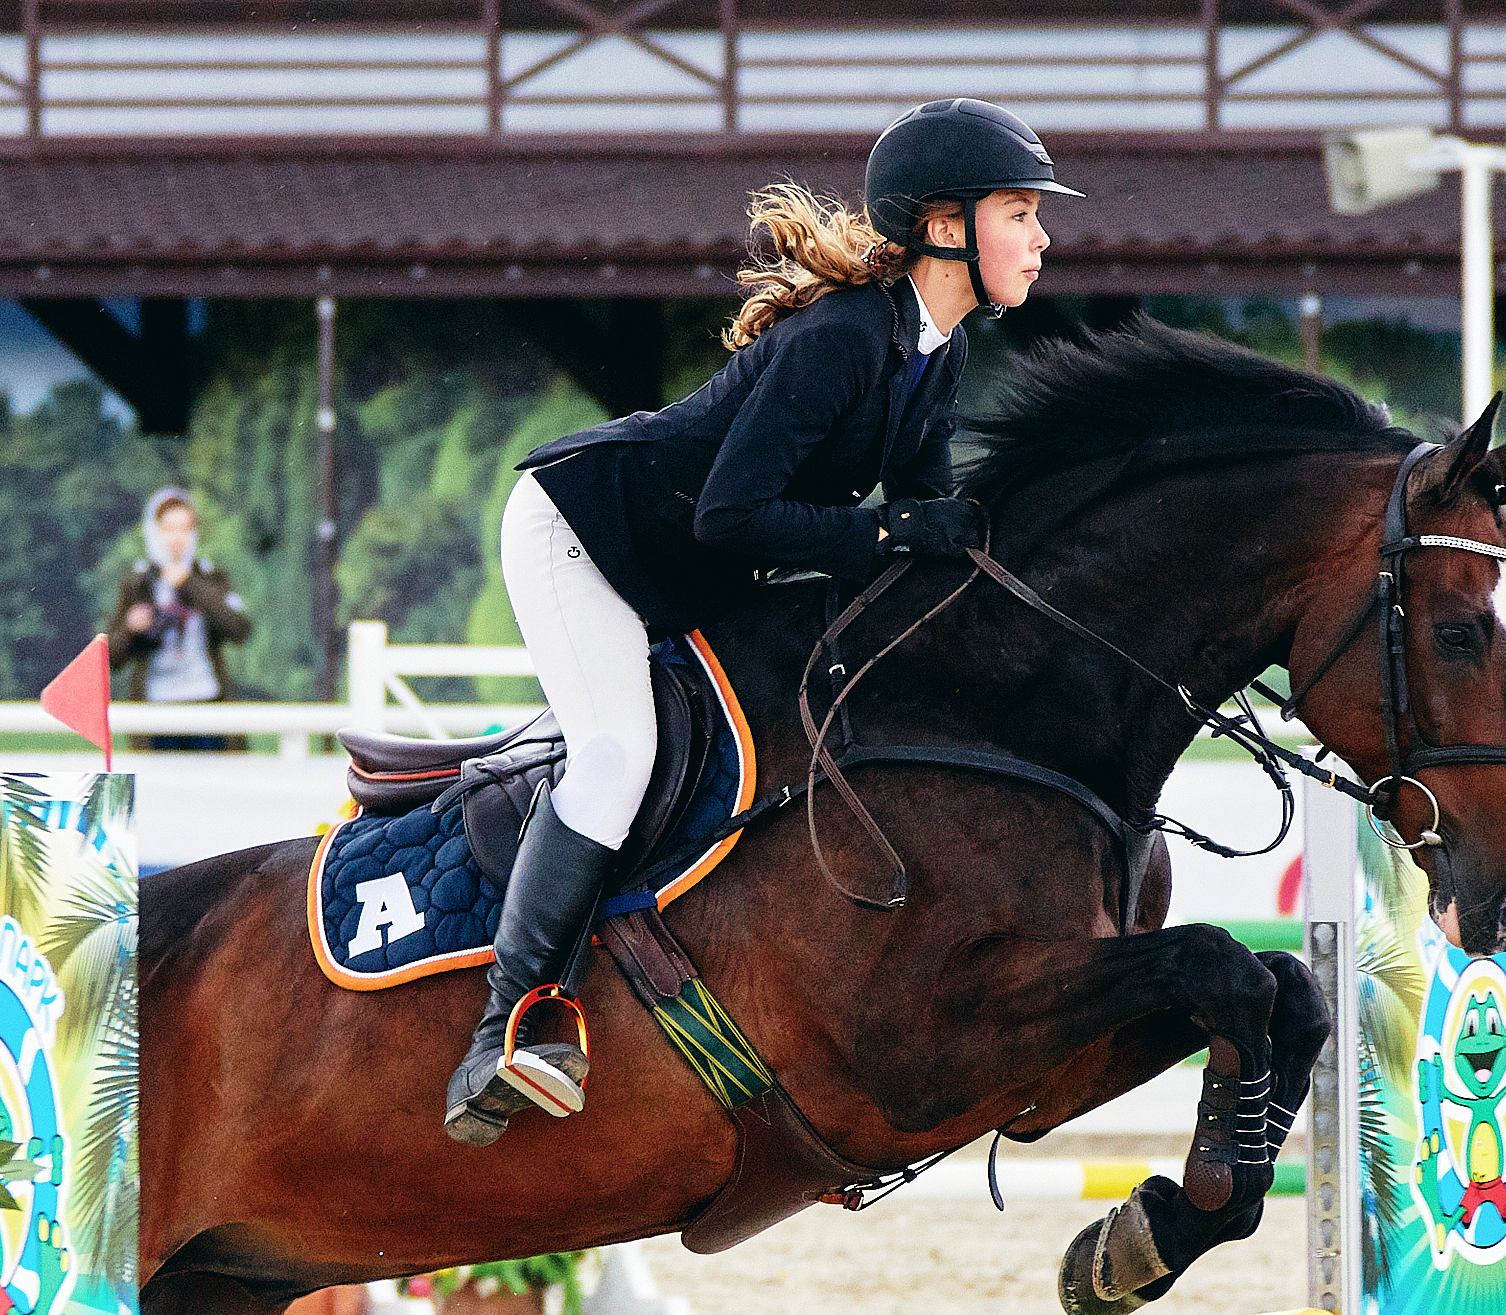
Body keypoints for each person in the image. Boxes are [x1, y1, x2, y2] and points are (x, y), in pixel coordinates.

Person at [443, 97, 1080, 1145]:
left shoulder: (937, 351)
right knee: (617, 754)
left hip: (688, 568)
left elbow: (920, 527)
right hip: (586, 533)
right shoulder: (842, 338)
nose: (1043, 238)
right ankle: (508, 1024)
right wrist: (889, 532)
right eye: (1021, 213)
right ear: (943, 225)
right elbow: (732, 513)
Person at [105, 488, 253, 752]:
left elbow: (239, 630)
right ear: (153, 531)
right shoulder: (137, 584)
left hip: (206, 703)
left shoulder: (210, 577)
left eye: (185, 529)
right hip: (157, 709)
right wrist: (131, 628)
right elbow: (111, 658)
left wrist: (189, 583)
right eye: (168, 529)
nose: (177, 538)